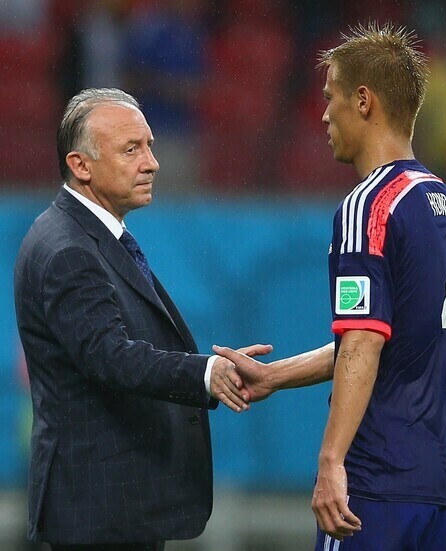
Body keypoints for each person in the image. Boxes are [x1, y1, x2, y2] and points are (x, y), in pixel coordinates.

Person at [215, 23, 446, 550]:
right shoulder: (437, 200)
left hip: (374, 484)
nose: (324, 113)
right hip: (438, 489)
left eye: (330, 97)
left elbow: (363, 342)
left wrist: (331, 462)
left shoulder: (366, 205)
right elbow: (386, 335)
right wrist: (275, 376)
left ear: (363, 99)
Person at [14, 88, 270, 550]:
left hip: (113, 505)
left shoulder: (81, 234)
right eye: (131, 149)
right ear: (81, 165)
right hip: (101, 511)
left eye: (149, 145)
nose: (151, 163)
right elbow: (112, 358)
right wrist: (208, 373)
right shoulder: (70, 249)